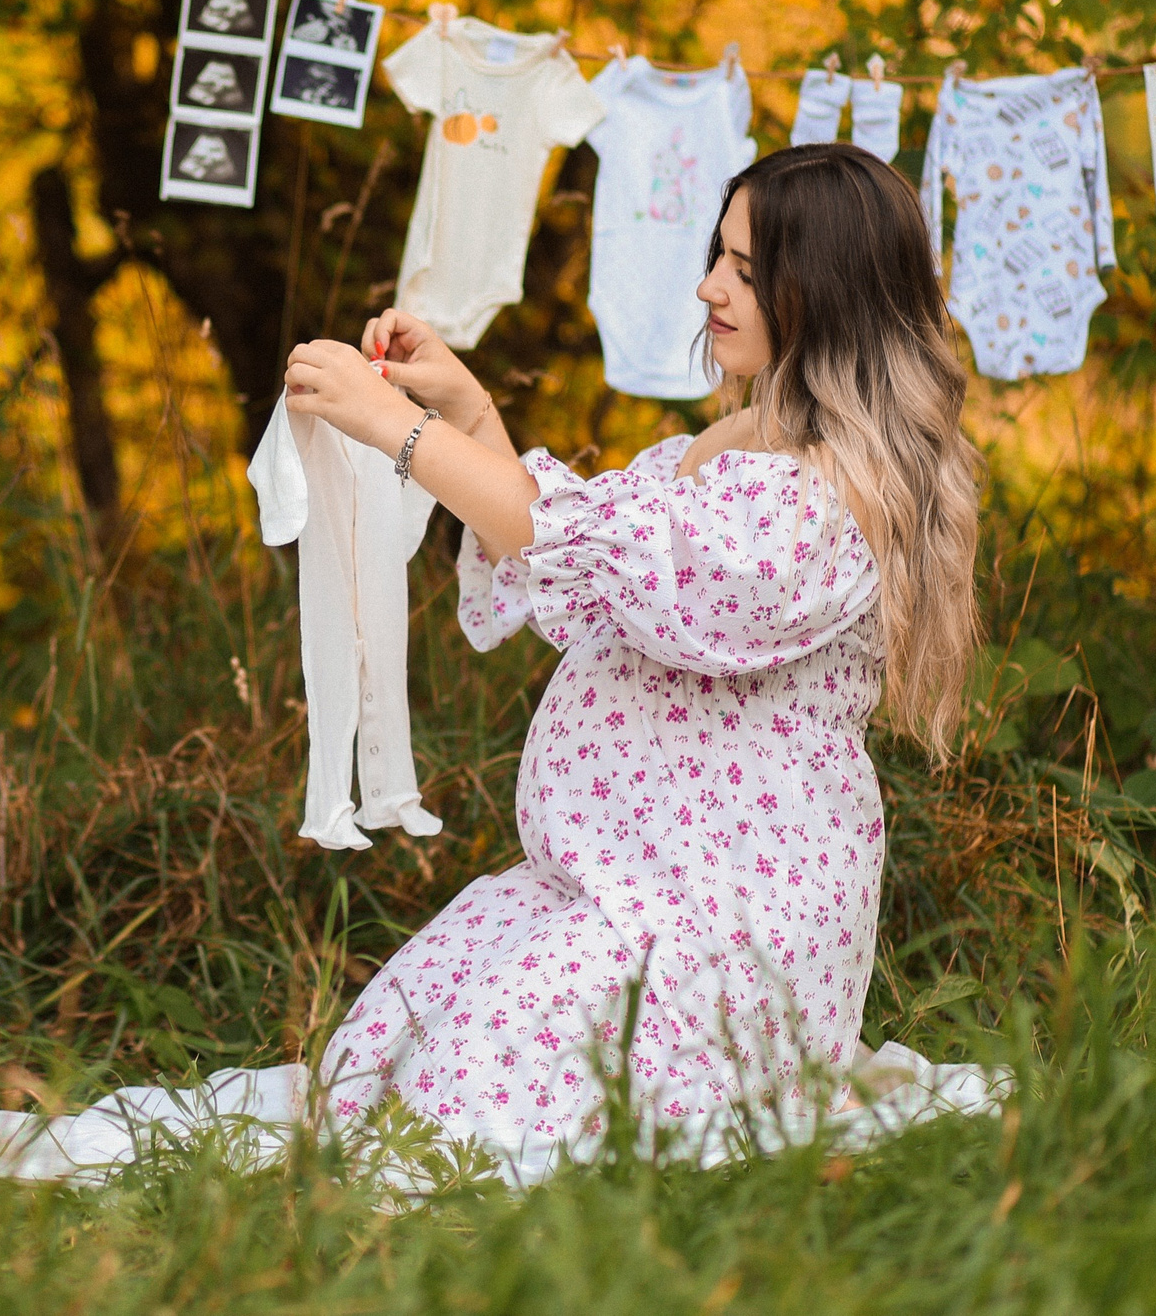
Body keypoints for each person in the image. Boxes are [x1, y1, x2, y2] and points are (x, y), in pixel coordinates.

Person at [279, 142, 978, 1153]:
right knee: (379, 1076)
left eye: (745, 270)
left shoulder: (821, 502)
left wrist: (398, 429)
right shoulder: (724, 448)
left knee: (460, 1125)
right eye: (718, 258)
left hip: (724, 913)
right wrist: (465, 411)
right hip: (618, 883)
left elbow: (578, 541)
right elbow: (569, 544)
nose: (708, 287)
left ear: (820, 292)